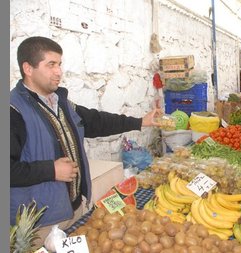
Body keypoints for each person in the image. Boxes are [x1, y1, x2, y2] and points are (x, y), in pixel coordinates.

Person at [10, 36, 161, 245]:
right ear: (28, 68)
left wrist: (140, 121)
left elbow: (95, 122)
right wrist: (51, 170)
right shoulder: (13, 110)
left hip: (74, 207)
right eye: (51, 65)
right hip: (41, 224)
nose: (58, 72)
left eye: (60, 64)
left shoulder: (60, 102)